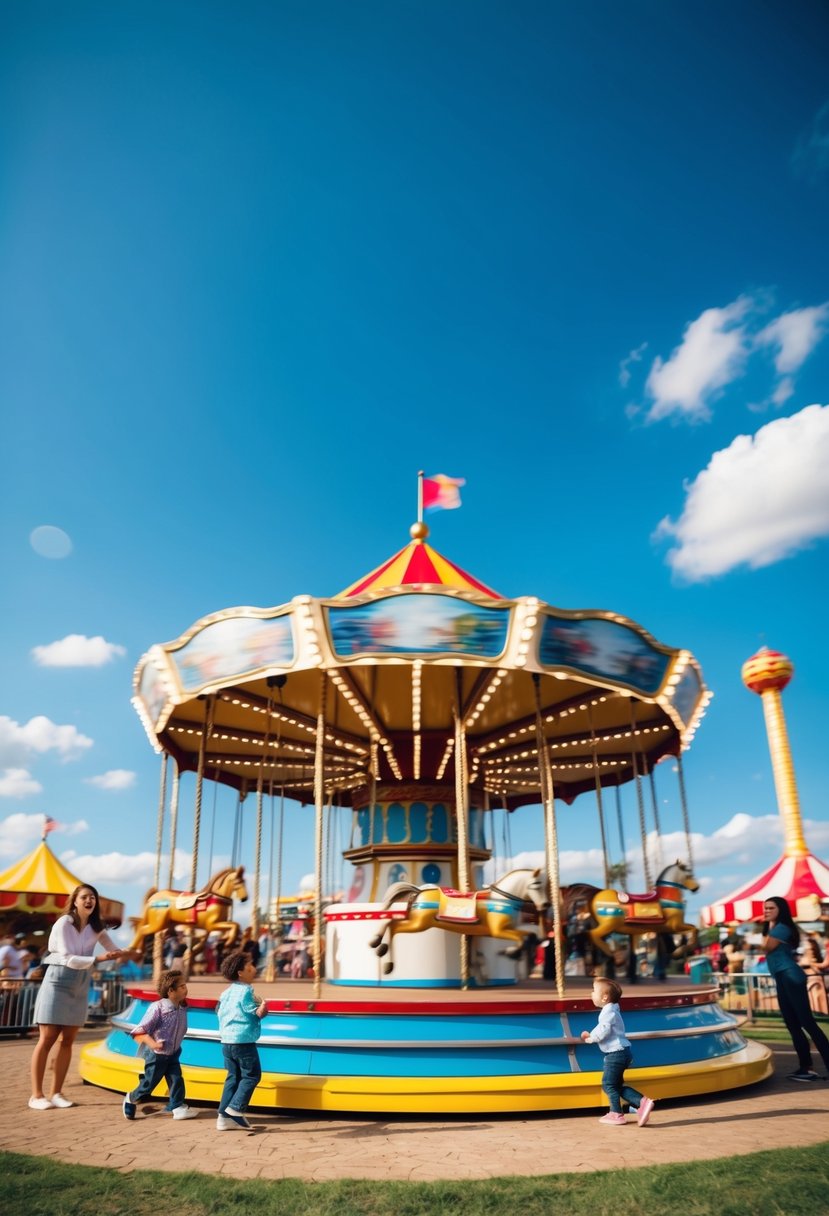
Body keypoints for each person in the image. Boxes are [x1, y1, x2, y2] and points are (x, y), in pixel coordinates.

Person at [29, 883, 128, 1110]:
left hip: (81, 982)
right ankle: (36, 1095)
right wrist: (101, 959)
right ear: (74, 901)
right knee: (47, 1038)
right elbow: (66, 956)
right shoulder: (64, 923)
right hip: (58, 979)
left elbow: (112, 949)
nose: (89, 900)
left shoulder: (96, 927)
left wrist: (124, 953)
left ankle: (56, 1093)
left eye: (92, 897)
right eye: (84, 897)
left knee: (68, 1041)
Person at [762, 896, 829, 1081]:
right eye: (765, 908)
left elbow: (766, 947)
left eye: (771, 908)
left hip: (791, 976)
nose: (766, 911)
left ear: (780, 910)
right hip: (783, 978)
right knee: (792, 1024)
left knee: (807, 1022)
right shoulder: (775, 928)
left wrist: (769, 926)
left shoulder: (782, 928)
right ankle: (805, 1068)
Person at [122, 969, 198, 1121]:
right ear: (171, 991)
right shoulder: (158, 1008)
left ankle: (177, 1107)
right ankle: (131, 1098)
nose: (186, 989)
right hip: (157, 1055)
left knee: (176, 1080)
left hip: (173, 1052)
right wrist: (154, 1044)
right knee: (149, 1085)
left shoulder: (181, 1006)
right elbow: (140, 1031)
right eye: (182, 986)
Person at [580, 977, 655, 1126]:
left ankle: (616, 1113)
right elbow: (604, 1026)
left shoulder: (608, 1012)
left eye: (594, 991)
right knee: (616, 1085)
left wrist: (591, 1038)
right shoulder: (611, 1010)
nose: (591, 994)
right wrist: (591, 1034)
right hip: (622, 1052)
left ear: (604, 997)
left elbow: (604, 1029)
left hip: (615, 1054)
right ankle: (641, 1103)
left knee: (608, 1084)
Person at [216, 949, 267, 1131]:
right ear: (240, 972)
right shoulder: (246, 991)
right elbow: (254, 1012)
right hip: (243, 1041)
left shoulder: (226, 993)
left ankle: (223, 1117)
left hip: (226, 1041)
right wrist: (263, 1009)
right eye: (249, 966)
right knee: (252, 1075)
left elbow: (218, 1011)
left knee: (233, 1077)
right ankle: (235, 1108)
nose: (253, 968)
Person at [800, 939, 829, 1016]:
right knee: (814, 996)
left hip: (815, 979)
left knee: (817, 996)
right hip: (812, 978)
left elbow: (823, 965)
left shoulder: (812, 958)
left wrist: (813, 965)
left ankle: (820, 1011)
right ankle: (818, 1011)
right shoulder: (807, 957)